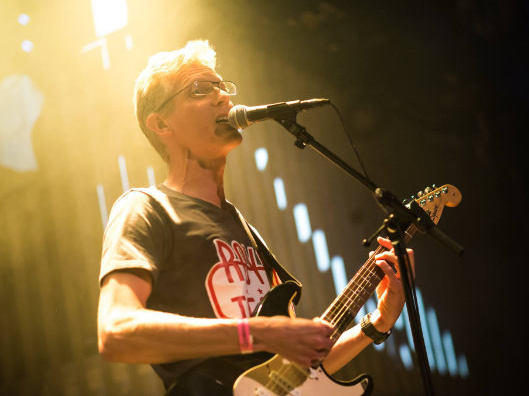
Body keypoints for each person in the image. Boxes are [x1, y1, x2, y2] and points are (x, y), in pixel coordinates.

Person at [97, 40, 413, 394]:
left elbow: (291, 377)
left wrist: (378, 321)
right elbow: (116, 331)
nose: (223, 98)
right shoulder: (146, 207)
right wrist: (256, 333)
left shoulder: (247, 232)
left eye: (223, 87)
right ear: (160, 123)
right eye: (200, 90)